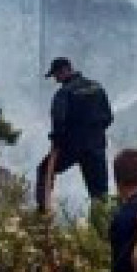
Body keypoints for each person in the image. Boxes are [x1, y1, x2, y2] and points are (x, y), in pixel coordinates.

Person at [35, 57, 113, 214]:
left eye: (56, 75)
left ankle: (43, 212)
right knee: (99, 194)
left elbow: (59, 125)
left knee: (44, 170)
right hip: (96, 146)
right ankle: (102, 228)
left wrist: (57, 143)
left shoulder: (63, 93)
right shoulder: (96, 87)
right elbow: (108, 117)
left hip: (73, 147)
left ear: (64, 70)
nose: (56, 79)